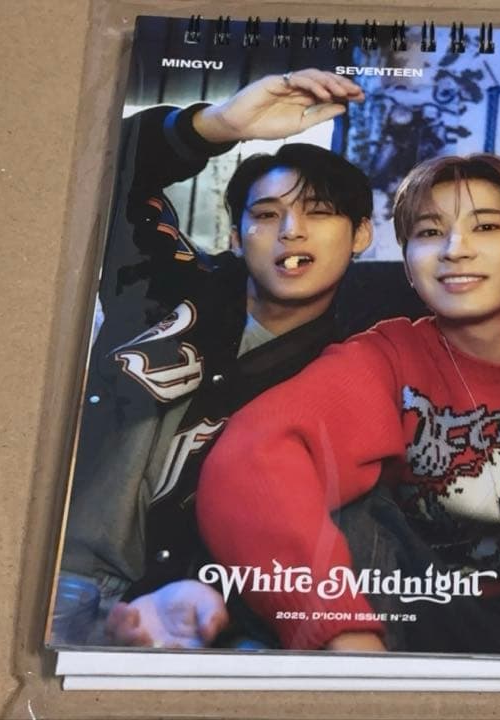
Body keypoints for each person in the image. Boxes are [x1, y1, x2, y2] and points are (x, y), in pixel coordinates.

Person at [197, 154, 500, 656]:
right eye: (429, 232)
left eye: (486, 227)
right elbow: (253, 455)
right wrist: (338, 632)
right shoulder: (385, 357)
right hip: (432, 616)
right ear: (407, 265)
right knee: (343, 505)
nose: (455, 249)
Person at [57, 69, 372, 649]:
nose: (292, 231)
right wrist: (221, 125)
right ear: (235, 236)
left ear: (360, 236)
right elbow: (106, 167)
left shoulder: (345, 373)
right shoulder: (164, 286)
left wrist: (210, 598)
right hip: (48, 573)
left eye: (320, 212)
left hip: (167, 613)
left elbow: (300, 528)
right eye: (267, 214)